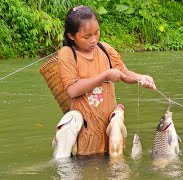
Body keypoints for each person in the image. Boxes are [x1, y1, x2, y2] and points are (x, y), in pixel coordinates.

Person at [57, 5, 156, 156]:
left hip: (110, 124)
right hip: (86, 127)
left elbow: (124, 72)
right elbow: (72, 90)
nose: (94, 40)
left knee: (114, 161)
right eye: (86, 37)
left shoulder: (105, 49)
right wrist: (104, 76)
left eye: (97, 33)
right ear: (71, 36)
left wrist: (141, 78)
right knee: (88, 165)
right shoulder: (67, 54)